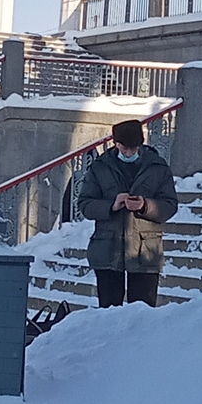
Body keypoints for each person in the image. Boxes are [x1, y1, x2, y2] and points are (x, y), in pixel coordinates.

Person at [77, 117, 179, 308]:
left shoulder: (158, 168)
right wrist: (112, 206)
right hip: (108, 250)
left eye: (134, 148)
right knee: (108, 312)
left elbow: (170, 205)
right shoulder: (100, 167)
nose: (130, 152)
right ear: (115, 144)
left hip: (145, 252)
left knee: (142, 316)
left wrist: (144, 206)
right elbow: (85, 204)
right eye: (125, 148)